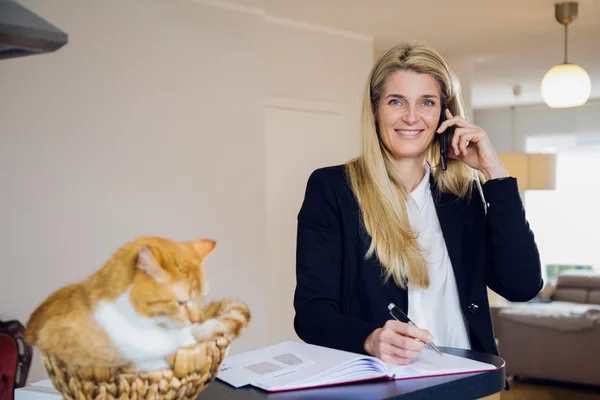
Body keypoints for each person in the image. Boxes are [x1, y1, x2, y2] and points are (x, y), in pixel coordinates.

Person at [293, 42, 542, 365]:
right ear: (375, 109)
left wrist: (495, 174)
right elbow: (312, 313)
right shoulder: (333, 188)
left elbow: (521, 286)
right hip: (382, 384)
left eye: (427, 102)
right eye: (396, 101)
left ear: (445, 114)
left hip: (466, 380)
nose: (411, 117)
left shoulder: (462, 196)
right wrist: (369, 339)